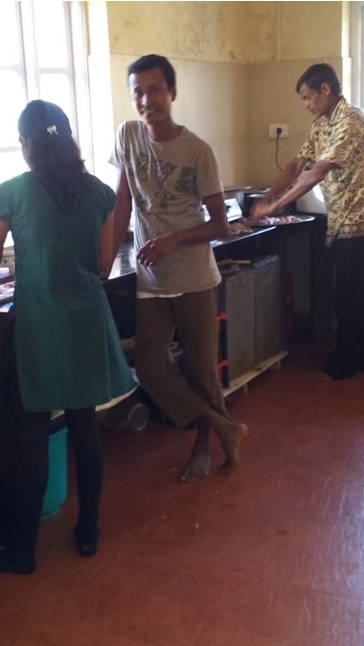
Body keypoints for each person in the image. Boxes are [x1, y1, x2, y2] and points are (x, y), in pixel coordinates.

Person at [0, 100, 135, 575]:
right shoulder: (100, 194)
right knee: (85, 427)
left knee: (33, 434)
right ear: (68, 140)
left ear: (26, 144)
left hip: (40, 327)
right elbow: (103, 266)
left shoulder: (11, 194)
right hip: (85, 321)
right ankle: (89, 529)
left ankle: (23, 550)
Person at [110, 54, 247, 483]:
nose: (146, 99)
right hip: (152, 282)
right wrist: (102, 259)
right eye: (138, 91)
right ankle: (226, 427)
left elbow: (221, 225)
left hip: (193, 280)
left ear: (171, 92)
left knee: (200, 371)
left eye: (154, 89)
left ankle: (205, 447)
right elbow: (121, 204)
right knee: (150, 368)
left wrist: (173, 240)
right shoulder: (128, 136)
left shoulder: (197, 151)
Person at [252, 63, 364, 380]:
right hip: (340, 220)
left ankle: (347, 361)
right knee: (354, 295)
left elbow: (318, 171)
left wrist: (277, 206)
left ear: (326, 90)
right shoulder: (322, 123)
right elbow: (298, 164)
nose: (306, 105)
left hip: (360, 221)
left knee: (348, 297)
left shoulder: (351, 120)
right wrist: (268, 196)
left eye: (308, 97)